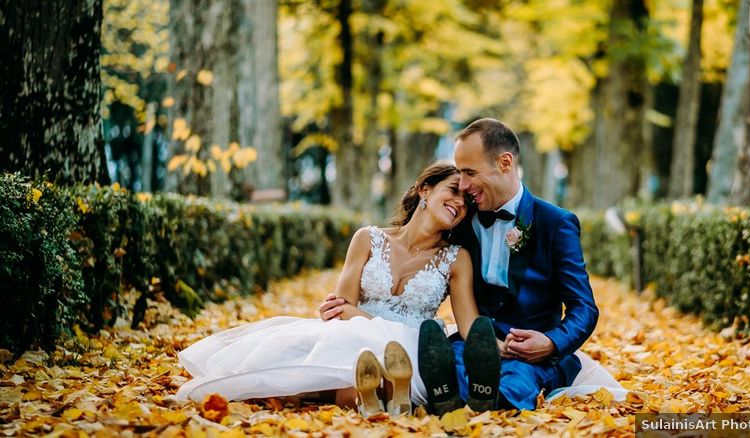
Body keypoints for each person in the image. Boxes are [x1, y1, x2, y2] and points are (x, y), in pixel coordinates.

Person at [174, 162, 480, 416]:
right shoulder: (367, 239)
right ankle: (386, 399)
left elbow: (470, 327)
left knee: (375, 362)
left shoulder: (456, 258)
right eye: (454, 191)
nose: (459, 203)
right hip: (355, 337)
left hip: (414, 346)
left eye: (466, 202)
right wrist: (368, 323)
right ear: (424, 189)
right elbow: (340, 307)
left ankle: (392, 390)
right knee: (350, 378)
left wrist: (505, 346)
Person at [417, 117, 614, 413]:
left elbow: (584, 307)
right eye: (460, 173)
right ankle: (458, 394)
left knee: (516, 383)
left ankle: (481, 399)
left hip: (531, 357)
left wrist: (550, 342)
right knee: (445, 365)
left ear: (505, 163)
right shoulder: (460, 219)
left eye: (470, 172)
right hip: (473, 342)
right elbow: (416, 251)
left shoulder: (555, 223)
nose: (463, 184)